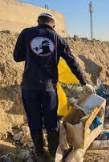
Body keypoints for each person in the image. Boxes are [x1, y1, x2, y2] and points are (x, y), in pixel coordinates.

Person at [13, 13, 94, 162]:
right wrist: (84, 82)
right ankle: (53, 154)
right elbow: (72, 61)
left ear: (38, 22)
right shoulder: (57, 38)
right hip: (48, 88)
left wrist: (33, 54)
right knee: (51, 121)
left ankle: (39, 152)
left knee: (34, 120)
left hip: (29, 87)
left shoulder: (26, 33)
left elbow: (17, 57)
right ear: (53, 25)